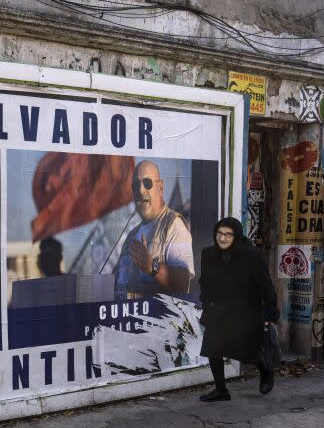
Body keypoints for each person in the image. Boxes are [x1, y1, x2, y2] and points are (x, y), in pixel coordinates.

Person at [198, 217, 279, 401]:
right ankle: (221, 390)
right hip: (218, 309)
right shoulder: (208, 253)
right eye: (219, 233)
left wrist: (271, 311)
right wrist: (206, 301)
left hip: (246, 311)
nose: (223, 238)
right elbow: (205, 281)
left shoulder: (252, 255)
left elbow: (265, 285)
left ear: (236, 236)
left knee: (247, 352)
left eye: (228, 234)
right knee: (213, 349)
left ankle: (266, 369)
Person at [114, 160, 193, 296]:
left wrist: (152, 266)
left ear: (160, 188)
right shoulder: (131, 235)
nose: (140, 190)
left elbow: (183, 283)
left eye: (147, 183)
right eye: (136, 185)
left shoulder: (174, 225)